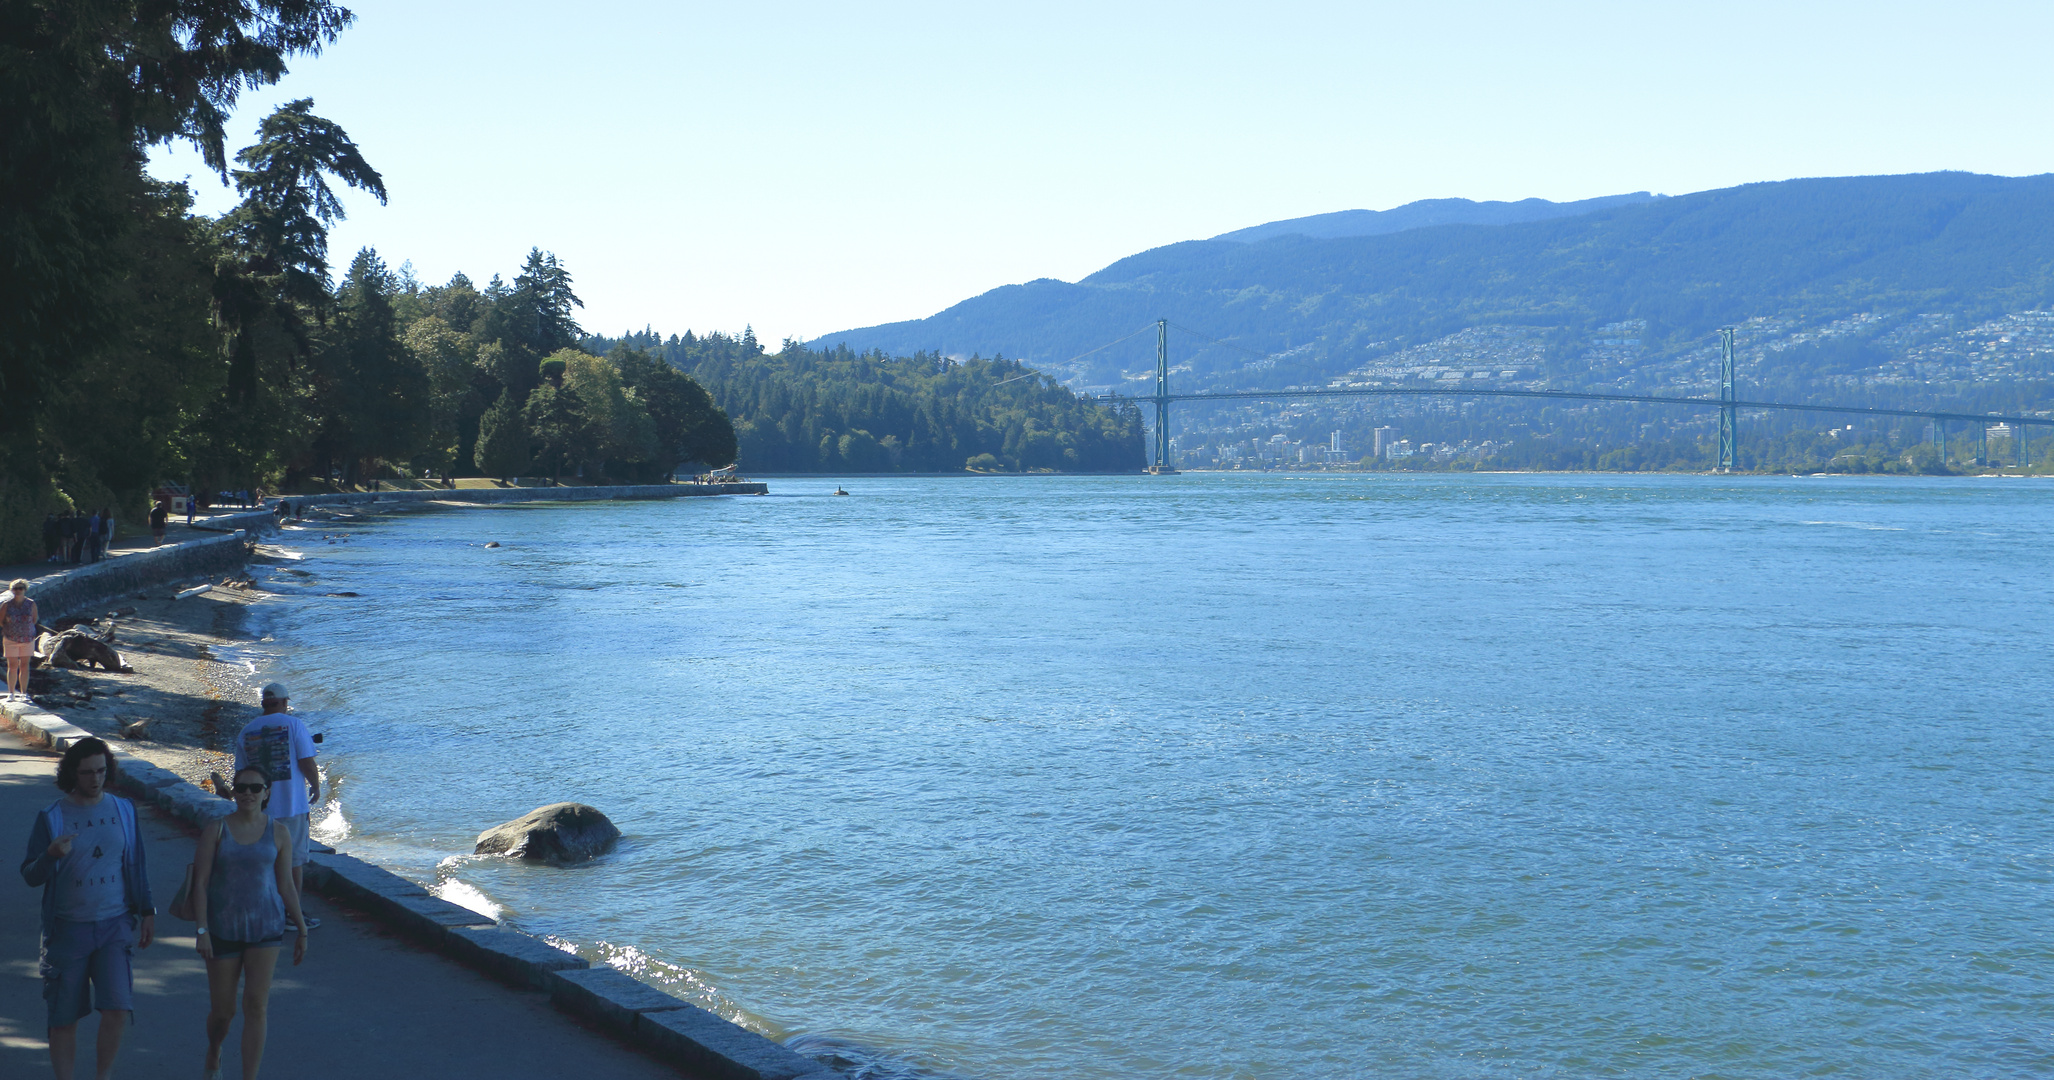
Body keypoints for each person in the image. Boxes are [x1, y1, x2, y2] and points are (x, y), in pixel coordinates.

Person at [19, 737, 157, 1080]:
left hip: (115, 925)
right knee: (63, 1019)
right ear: (72, 773)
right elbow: (30, 875)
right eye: (87, 773)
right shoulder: (52, 817)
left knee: (118, 1009)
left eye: (101, 770)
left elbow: (136, 864)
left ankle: (103, 1076)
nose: (95, 779)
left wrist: (147, 910)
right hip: (68, 930)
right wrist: (50, 856)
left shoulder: (124, 810)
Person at [194, 766, 309, 1080]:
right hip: (222, 929)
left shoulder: (279, 832)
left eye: (255, 788)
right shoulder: (216, 830)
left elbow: (285, 885)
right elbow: (201, 883)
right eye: (241, 787)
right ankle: (214, 1051)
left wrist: (301, 928)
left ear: (266, 793)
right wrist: (202, 930)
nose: (247, 793)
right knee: (223, 1013)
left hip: (266, 929)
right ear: (233, 791)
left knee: (256, 1005)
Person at [226, 683, 320, 926]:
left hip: (260, 809)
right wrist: (316, 786)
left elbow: (240, 774)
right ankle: (291, 913)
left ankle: (264, 909)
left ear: (263, 704)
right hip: (292, 807)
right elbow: (306, 761)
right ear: (285, 702)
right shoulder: (294, 725)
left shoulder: (247, 731)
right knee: (294, 863)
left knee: (264, 861)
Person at [4, 579, 37, 701]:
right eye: (15, 588)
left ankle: (24, 693)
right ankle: (11, 693)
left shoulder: (31, 604)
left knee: (24, 666)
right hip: (10, 639)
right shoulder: (6, 605)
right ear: (12, 590)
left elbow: (34, 620)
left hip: (27, 639)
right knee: (12, 666)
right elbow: (1, 620)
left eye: (20, 588)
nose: (18, 591)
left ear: (25, 589)